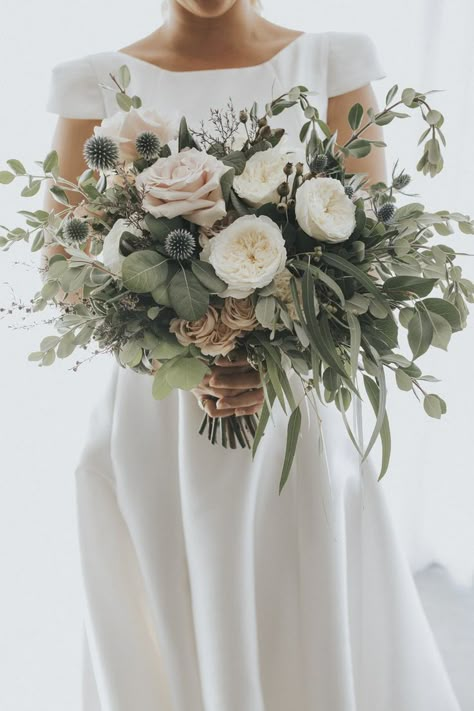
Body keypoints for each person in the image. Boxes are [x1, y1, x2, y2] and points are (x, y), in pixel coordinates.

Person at [43, 2, 462, 709]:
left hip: (289, 423)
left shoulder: (332, 64)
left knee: (298, 619)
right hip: (153, 426)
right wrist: (192, 347)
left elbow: (370, 256)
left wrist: (263, 355)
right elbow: (65, 268)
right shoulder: (94, 84)